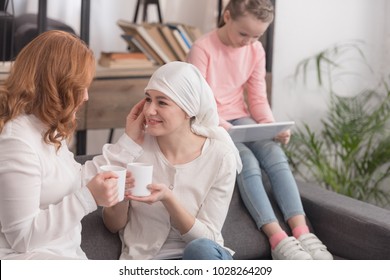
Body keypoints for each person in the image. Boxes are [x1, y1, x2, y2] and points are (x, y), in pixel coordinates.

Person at [187, 0, 333, 260]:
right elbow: (199, 103)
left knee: (274, 153)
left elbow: (256, 97)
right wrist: (225, 127)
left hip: (239, 118)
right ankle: (278, 239)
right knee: (246, 162)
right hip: (210, 122)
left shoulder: (255, 50)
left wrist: (269, 126)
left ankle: (303, 233)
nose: (249, 41)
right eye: (244, 33)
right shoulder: (202, 48)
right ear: (227, 16)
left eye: (257, 36)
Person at [0, 30, 123, 260]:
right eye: (81, 87)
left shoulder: (47, 128)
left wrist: (131, 143)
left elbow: (75, 178)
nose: (86, 96)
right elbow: (22, 238)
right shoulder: (17, 141)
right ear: (57, 85)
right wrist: (88, 198)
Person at [102, 61, 242, 260]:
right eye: (148, 99)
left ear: (189, 109)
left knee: (200, 250)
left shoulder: (220, 156)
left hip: (202, 259)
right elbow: (112, 225)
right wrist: (121, 199)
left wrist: (169, 199)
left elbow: (208, 239)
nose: (149, 110)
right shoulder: (134, 148)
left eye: (162, 102)